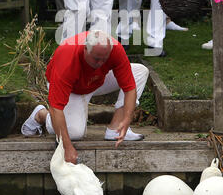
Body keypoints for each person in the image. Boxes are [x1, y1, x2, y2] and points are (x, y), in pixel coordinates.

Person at [21, 30, 149, 163]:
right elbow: (56, 108)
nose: (100, 63)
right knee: (74, 134)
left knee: (140, 72)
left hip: (97, 80)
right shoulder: (66, 58)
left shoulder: (115, 49)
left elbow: (130, 88)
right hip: (72, 89)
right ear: (85, 49)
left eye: (104, 59)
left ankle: (116, 129)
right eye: (96, 59)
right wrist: (66, 147)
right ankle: (41, 115)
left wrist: (127, 118)